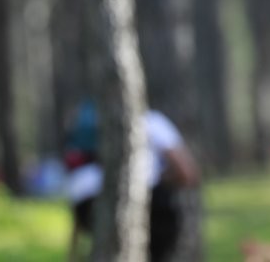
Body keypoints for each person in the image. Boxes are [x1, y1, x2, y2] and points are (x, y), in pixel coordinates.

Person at [63, 102, 200, 262]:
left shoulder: (87, 126)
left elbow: (78, 199)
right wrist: (160, 178)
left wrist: (73, 252)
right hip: (152, 208)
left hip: (89, 207)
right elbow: (187, 173)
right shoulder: (151, 121)